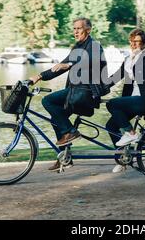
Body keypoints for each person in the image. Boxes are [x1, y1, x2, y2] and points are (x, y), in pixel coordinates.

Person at [29, 17, 108, 171]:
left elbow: (92, 62)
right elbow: (60, 67)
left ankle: (71, 131)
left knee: (47, 101)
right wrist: (39, 77)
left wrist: (70, 64)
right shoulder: (76, 48)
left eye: (79, 28)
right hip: (76, 93)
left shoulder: (95, 46)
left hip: (86, 93)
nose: (76, 31)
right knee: (56, 119)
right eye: (74, 29)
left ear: (88, 30)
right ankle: (66, 158)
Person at [104, 21, 145, 173]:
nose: (133, 44)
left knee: (113, 104)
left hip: (144, 100)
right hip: (132, 101)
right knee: (111, 126)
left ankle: (132, 133)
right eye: (132, 41)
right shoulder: (128, 59)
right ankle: (123, 158)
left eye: (137, 42)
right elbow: (115, 78)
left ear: (144, 43)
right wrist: (97, 90)